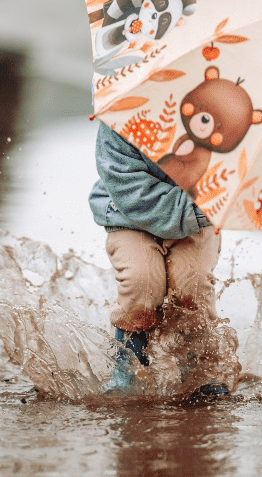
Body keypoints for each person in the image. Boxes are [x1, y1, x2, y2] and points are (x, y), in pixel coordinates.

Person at [89, 121, 227, 397]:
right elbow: (129, 187)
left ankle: (199, 369)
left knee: (193, 286)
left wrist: (220, 200)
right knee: (141, 284)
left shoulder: (219, 117)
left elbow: (229, 175)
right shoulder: (121, 115)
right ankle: (128, 367)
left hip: (199, 215)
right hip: (128, 214)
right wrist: (197, 209)